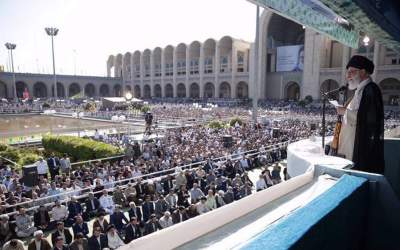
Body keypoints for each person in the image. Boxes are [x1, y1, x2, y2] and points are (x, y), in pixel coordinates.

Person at [336, 55, 384, 174]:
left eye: (351, 72)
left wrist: (345, 112)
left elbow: (370, 119)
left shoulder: (370, 90)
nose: (348, 76)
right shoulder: (360, 90)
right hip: (352, 143)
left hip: (361, 148)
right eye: (347, 72)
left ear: (362, 72)